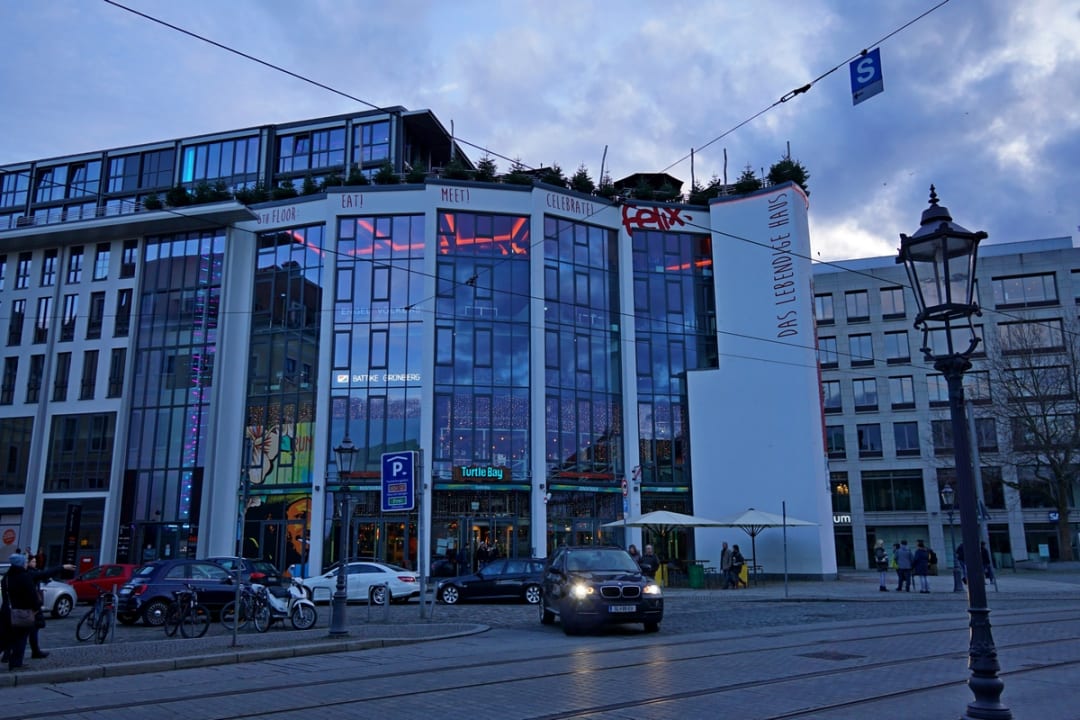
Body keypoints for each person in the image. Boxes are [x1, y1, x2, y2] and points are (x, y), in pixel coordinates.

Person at [25, 555, 76, 660]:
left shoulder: (31, 572)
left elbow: (45, 575)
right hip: (30, 606)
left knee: (29, 630)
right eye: (32, 561)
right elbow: (46, 573)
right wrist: (62, 567)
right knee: (22, 632)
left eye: (35, 561)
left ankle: (34, 651)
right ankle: (20, 655)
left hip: (32, 605)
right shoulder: (30, 573)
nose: (34, 563)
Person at [0, 553, 42, 671]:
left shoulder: (6, 577)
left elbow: (5, 596)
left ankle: (10, 659)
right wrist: (36, 608)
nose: (26, 564)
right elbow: (32, 596)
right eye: (25, 562)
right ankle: (16, 663)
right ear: (21, 564)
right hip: (21, 612)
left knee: (4, 637)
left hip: (7, 611)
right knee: (21, 638)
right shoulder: (25, 577)